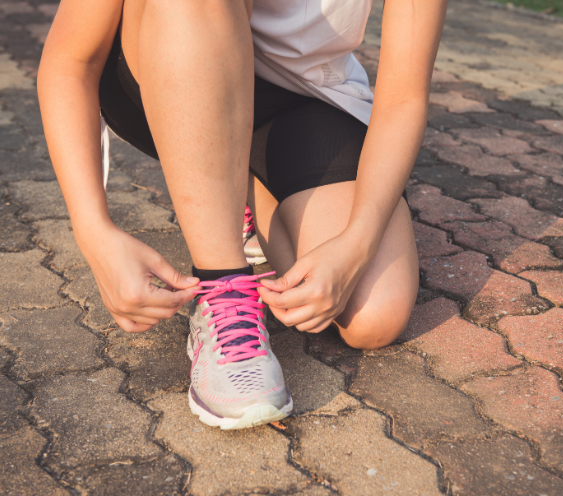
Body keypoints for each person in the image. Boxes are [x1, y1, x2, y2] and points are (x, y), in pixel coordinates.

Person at [38, 0, 448, 429]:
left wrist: (358, 243)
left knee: (372, 315)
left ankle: (233, 187)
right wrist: (93, 229)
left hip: (303, 95)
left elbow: (403, 96)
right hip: (167, 55)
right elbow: (70, 60)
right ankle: (223, 289)